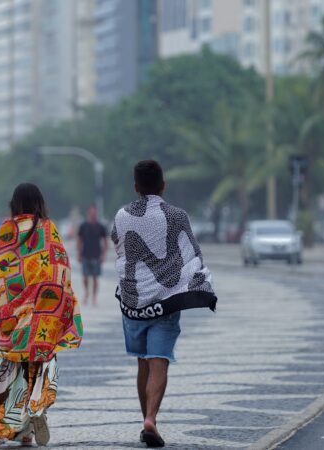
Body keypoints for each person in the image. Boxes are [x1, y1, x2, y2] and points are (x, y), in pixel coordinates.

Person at [112, 160, 217, 448]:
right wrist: (199, 285)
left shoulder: (122, 216)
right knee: (159, 361)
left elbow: (118, 246)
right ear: (163, 185)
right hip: (165, 303)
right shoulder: (177, 215)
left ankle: (145, 418)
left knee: (142, 363)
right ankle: (151, 418)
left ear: (135, 187)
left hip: (133, 303)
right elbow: (191, 253)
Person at [0, 183, 83, 447]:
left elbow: (2, 273)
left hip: (17, 313)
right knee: (41, 364)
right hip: (45, 313)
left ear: (14, 203)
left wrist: (5, 311)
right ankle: (36, 411)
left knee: (11, 367)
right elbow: (60, 268)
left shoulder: (7, 230)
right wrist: (63, 308)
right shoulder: (48, 228)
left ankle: (14, 426)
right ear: (39, 203)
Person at [77, 205, 108, 306]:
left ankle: (94, 297)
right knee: (85, 277)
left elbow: (105, 241)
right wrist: (79, 253)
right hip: (85, 254)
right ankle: (86, 292)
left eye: (94, 213)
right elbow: (79, 240)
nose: (93, 215)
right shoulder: (83, 226)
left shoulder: (100, 226)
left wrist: (103, 254)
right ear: (88, 213)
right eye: (91, 213)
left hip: (96, 255)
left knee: (95, 278)